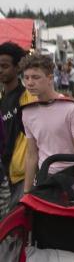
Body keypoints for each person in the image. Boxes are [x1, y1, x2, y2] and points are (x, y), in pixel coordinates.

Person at [19, 54, 74, 195]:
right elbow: (32, 154)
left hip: (71, 177)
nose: (30, 83)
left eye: (35, 77)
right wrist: (26, 191)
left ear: (50, 78)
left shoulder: (71, 108)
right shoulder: (27, 112)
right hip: (45, 177)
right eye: (26, 78)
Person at [0, 42, 35, 211]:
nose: (0, 70)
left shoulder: (27, 97)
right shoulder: (1, 100)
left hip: (21, 174)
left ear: (17, 68)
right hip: (4, 173)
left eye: (5, 66)